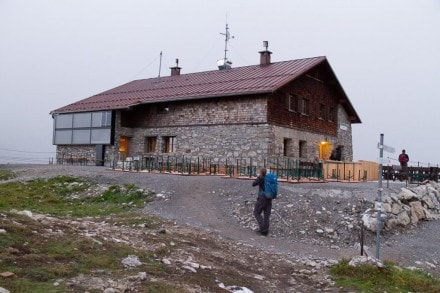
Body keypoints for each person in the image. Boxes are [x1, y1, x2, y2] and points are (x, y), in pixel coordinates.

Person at [252, 167, 271, 236]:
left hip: (262, 198)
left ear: (260, 172)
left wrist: (258, 177)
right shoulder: (269, 178)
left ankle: (262, 228)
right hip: (269, 198)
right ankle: (266, 230)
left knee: (256, 212)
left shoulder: (261, 178)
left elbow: (253, 184)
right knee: (266, 215)